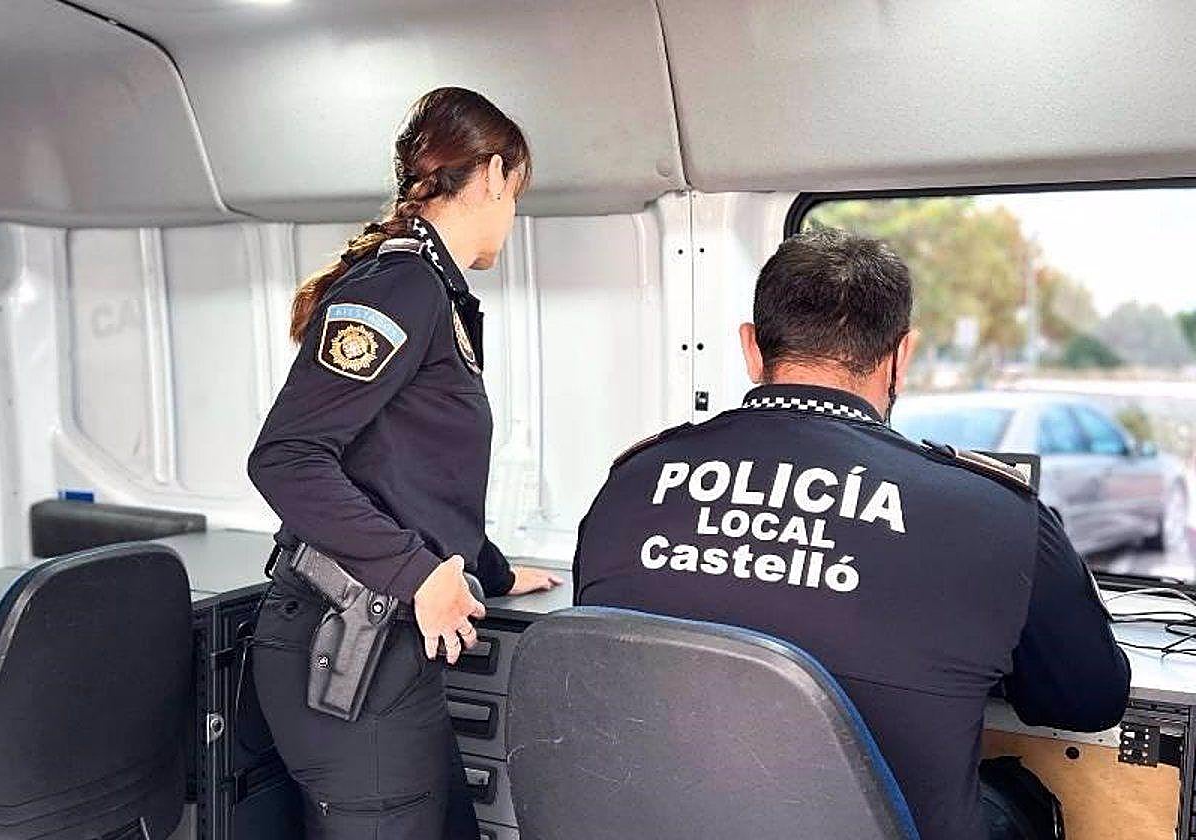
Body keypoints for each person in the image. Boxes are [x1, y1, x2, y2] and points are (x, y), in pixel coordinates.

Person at [572, 228, 1130, 840]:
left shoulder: (629, 484)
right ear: (901, 357)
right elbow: (1088, 701)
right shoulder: (996, 514)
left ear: (751, 348)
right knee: (1020, 796)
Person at [247, 87, 562, 840]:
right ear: (492, 175)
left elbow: (411, 470)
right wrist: (420, 573)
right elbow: (286, 459)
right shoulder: (401, 287)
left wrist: (486, 567)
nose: (512, 217)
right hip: (340, 644)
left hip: (383, 641)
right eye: (516, 196)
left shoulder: (436, 289)